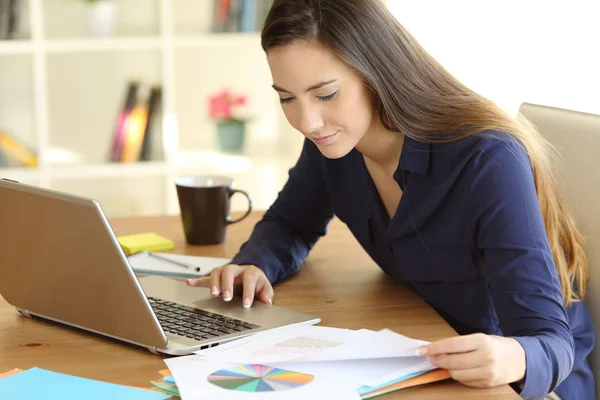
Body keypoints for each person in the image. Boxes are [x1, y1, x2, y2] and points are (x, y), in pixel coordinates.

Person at [187, 0, 594, 398]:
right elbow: (290, 223)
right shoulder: (333, 144)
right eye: (287, 98)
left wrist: (515, 357)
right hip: (420, 355)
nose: (307, 122)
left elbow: (551, 343)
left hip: (518, 384)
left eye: (325, 94)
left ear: (376, 71)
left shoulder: (487, 160)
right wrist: (254, 264)